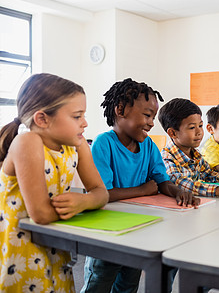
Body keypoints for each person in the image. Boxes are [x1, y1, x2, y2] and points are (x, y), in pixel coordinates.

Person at [82, 79, 199, 293]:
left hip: (138, 229)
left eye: (153, 117)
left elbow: (162, 182)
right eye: (147, 115)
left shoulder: (148, 146)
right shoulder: (103, 144)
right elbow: (103, 194)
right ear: (120, 110)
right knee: (98, 283)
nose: (152, 122)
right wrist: (143, 190)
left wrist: (179, 192)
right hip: (108, 232)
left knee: (128, 285)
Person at [0, 73, 109, 292]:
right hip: (20, 249)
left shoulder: (77, 146)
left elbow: (101, 193)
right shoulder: (27, 142)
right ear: (42, 119)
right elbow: (40, 214)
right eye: (77, 116)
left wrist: (84, 201)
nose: (85, 123)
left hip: (55, 244)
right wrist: (84, 203)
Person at [158, 98, 219, 201]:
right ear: (173, 133)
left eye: (200, 125)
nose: (199, 132)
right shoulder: (167, 158)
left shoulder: (195, 154)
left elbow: (207, 174)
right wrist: (218, 190)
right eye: (192, 127)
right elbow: (180, 183)